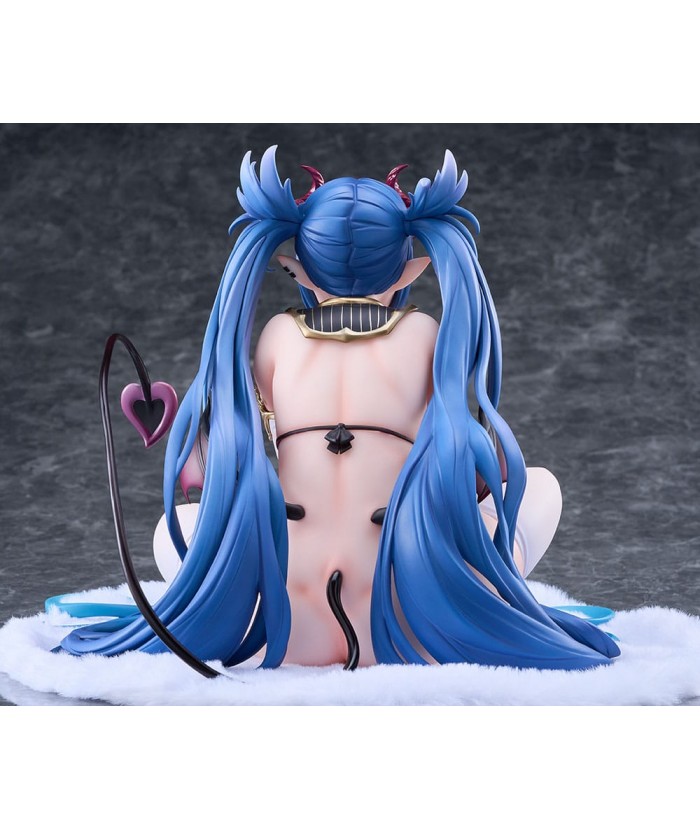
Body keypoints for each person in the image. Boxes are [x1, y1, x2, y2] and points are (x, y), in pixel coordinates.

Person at [58, 147, 620, 671]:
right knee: (539, 488)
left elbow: (246, 454)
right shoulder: (426, 335)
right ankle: (487, 601)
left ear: (299, 269)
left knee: (175, 528)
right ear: (409, 270)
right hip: (409, 620)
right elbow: (464, 466)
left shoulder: (276, 337)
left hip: (282, 624)